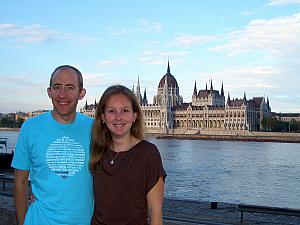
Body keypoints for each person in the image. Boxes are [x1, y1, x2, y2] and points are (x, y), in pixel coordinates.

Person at [12, 65, 94, 225]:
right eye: (57, 87)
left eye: (70, 88)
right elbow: (19, 183)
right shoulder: (30, 128)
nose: (62, 94)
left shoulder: (95, 128)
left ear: (81, 93)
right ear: (49, 91)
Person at [90, 85, 166, 225]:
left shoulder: (148, 153)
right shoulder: (96, 151)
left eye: (125, 110)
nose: (118, 117)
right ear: (103, 117)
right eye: (112, 111)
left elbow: (155, 212)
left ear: (134, 116)